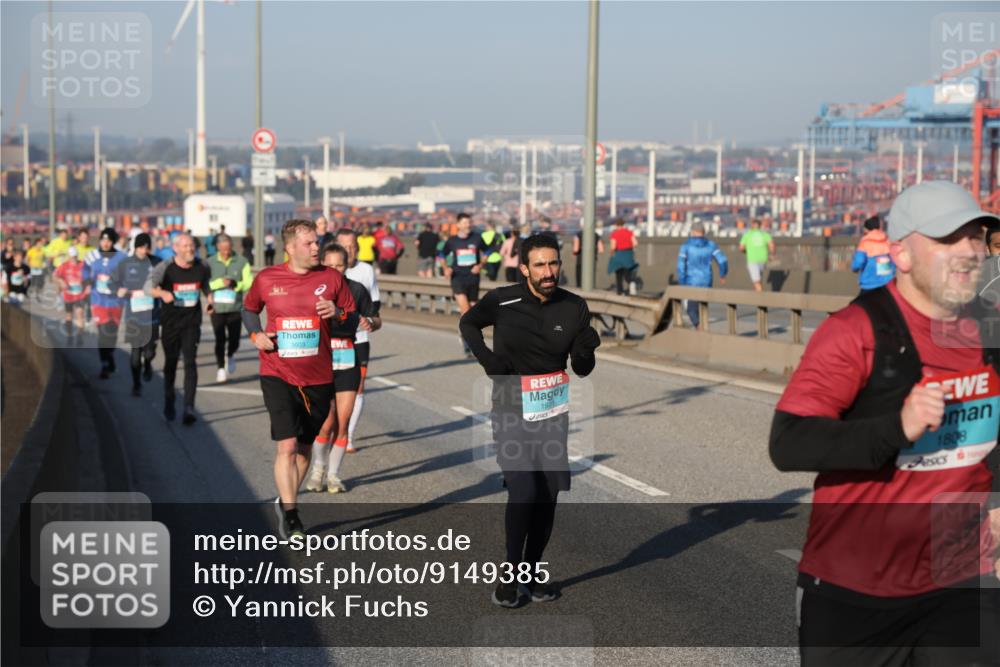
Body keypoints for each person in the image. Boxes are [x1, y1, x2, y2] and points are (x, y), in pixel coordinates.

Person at [769, 181, 1000, 666]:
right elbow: (789, 443)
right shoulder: (854, 333)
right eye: (947, 239)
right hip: (856, 587)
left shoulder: (989, 331)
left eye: (976, 237)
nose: (969, 252)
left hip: (962, 580)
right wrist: (897, 427)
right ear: (901, 253)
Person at [460, 233, 601, 607]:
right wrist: (488, 360)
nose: (548, 271)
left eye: (553, 263)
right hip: (510, 409)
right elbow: (468, 324)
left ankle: (532, 573)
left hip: (553, 415)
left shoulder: (574, 307)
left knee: (548, 497)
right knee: (524, 492)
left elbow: (582, 369)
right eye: (539, 264)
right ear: (524, 268)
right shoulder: (502, 300)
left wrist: (587, 348)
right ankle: (510, 573)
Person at [241, 219, 357, 539]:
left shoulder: (332, 278)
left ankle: (285, 500)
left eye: (317, 242)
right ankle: (292, 515)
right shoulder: (267, 278)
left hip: (319, 376)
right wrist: (256, 334)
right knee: (288, 445)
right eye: (309, 243)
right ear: (290, 248)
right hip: (277, 371)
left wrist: (337, 311)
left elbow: (352, 315)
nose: (316, 247)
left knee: (304, 448)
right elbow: (249, 309)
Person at [305, 243, 375, 493]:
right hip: (320, 360)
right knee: (325, 423)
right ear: (322, 262)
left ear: (347, 265)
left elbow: (376, 318)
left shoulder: (356, 289)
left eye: (340, 265)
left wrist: (370, 322)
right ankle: (318, 468)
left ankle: (333, 476)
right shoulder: (313, 288)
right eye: (330, 264)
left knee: (342, 423)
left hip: (347, 359)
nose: (335, 269)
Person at [150, 233, 213, 425]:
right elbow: (148, 287)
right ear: (175, 248)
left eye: (192, 246)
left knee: (190, 362)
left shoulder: (202, 266)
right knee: (170, 363)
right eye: (185, 246)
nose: (190, 249)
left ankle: (189, 407)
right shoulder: (165, 267)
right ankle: (169, 399)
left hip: (191, 322)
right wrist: (162, 293)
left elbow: (206, 287)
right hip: (170, 322)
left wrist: (210, 299)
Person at [336, 227, 383, 453]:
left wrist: (371, 322)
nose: (350, 250)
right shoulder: (327, 270)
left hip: (359, 339)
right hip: (333, 340)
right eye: (345, 246)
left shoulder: (366, 270)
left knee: (359, 387)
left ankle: (347, 435)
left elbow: (375, 309)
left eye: (353, 245)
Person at [112, 233, 161, 397]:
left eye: (146, 247)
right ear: (135, 247)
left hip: (152, 314)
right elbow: (113, 283)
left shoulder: (157, 262)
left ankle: (148, 363)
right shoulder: (125, 263)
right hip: (133, 315)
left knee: (150, 351)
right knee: (135, 352)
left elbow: (167, 280)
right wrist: (119, 290)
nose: (143, 250)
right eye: (141, 247)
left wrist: (161, 290)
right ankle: (136, 384)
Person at [207, 233, 253, 383]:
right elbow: (205, 284)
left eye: (228, 249)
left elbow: (249, 282)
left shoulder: (242, 262)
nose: (226, 252)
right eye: (223, 249)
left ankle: (231, 354)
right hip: (217, 308)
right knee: (220, 339)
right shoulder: (209, 263)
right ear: (218, 248)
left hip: (235, 307)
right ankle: (220, 368)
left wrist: (237, 285)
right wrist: (221, 283)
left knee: (235, 340)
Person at [83, 228, 127, 379]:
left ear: (113, 241)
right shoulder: (92, 255)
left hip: (116, 301)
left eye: (108, 240)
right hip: (98, 299)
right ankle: (105, 364)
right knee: (102, 333)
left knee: (111, 334)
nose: (105, 243)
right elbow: (85, 269)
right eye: (103, 240)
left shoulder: (122, 257)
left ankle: (110, 356)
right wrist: (86, 281)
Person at [444, 212, 487, 356]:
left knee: (473, 313)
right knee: (466, 310)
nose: (467, 225)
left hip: (473, 278)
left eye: (469, 222)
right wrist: (446, 268)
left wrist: (480, 265)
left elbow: (488, 251)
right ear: (458, 225)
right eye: (464, 223)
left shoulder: (477, 238)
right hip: (457, 277)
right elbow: (441, 255)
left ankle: (464, 332)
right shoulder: (452, 241)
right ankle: (467, 342)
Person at [676, 223, 728, 329]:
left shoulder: (686, 246)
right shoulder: (711, 245)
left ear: (693, 232)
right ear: (703, 232)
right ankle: (702, 328)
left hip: (691, 282)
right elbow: (722, 260)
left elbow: (681, 266)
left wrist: (682, 282)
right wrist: (723, 274)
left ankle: (699, 327)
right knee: (702, 306)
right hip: (707, 280)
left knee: (691, 309)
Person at [53, 246, 88, 346]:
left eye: (75, 256)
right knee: (69, 316)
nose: (74, 258)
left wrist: (87, 286)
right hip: (68, 295)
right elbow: (54, 276)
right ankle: (69, 336)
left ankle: (80, 337)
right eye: (72, 256)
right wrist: (61, 281)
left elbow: (90, 276)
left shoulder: (83, 265)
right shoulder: (64, 266)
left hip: (80, 295)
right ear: (69, 256)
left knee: (80, 314)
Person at [851, 214, 895, 293]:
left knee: (864, 304)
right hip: (886, 284)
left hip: (869, 283)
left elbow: (859, 262)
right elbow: (894, 261)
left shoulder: (865, 243)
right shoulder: (887, 241)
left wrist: (854, 268)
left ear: (867, 229)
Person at [739, 218, 774, 292]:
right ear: (760, 226)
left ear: (752, 226)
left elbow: (741, 248)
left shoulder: (747, 235)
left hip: (752, 259)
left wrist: (746, 251)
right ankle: (760, 296)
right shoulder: (765, 234)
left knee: (756, 280)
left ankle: (761, 299)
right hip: (763, 259)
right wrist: (771, 255)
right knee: (758, 278)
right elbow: (771, 245)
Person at [607, 217, 639, 295]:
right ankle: (631, 283)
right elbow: (635, 243)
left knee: (618, 274)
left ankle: (620, 291)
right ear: (623, 224)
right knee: (627, 272)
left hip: (618, 254)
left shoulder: (614, 234)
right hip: (628, 254)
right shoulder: (629, 232)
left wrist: (611, 253)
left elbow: (613, 247)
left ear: (616, 225)